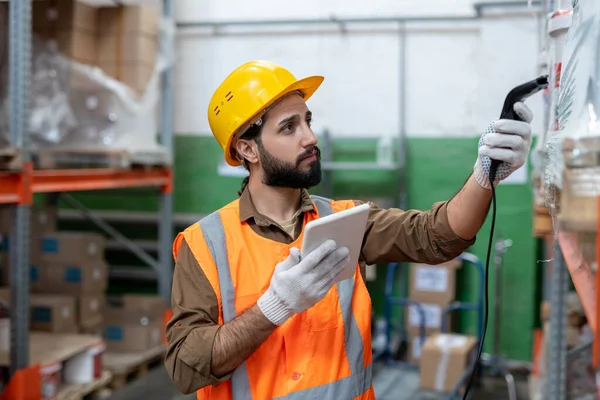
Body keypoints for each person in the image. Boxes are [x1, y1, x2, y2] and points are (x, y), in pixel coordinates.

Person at [165, 60, 533, 399]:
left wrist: (485, 175)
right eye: (289, 127)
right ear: (248, 149)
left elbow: (437, 237)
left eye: (307, 120)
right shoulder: (204, 244)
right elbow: (184, 367)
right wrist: (273, 308)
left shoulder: (346, 221)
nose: (310, 137)